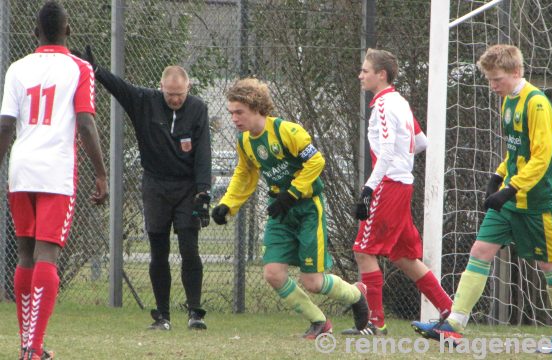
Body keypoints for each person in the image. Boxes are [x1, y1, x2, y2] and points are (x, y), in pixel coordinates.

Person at [412, 44, 552, 353]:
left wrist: (511, 188)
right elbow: (515, 151)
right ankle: (455, 325)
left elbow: (541, 158)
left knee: (549, 264)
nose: (492, 86)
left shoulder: (537, 104)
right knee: (480, 250)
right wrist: (498, 176)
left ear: (516, 72)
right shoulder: (507, 102)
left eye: (497, 79)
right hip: (512, 198)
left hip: (537, 201)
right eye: (489, 79)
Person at [210, 78, 369, 339]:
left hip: (307, 209)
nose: (234, 119)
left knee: (314, 282)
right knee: (273, 274)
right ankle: (319, 322)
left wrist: (293, 192)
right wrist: (227, 204)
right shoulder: (245, 142)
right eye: (232, 113)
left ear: (257, 107)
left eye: (239, 112)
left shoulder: (287, 132)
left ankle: (356, 294)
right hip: (281, 212)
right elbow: (244, 174)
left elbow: (316, 162)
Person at [0, 2, 108, 359]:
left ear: (35, 32)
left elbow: (4, 125)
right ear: (68, 30)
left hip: (21, 167)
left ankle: (26, 345)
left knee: (26, 253)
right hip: (56, 171)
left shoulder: (17, 67)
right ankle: (33, 348)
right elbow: (86, 122)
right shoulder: (79, 68)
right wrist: (101, 173)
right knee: (48, 253)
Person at [80, 47, 212, 330]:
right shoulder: (145, 102)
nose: (175, 99)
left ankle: (195, 314)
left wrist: (203, 190)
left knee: (190, 248)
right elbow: (121, 88)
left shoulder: (199, 109)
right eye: (170, 93)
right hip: (155, 185)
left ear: (188, 88)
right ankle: (162, 315)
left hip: (187, 187)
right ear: (161, 87)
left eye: (180, 94)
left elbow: (203, 152)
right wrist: (97, 71)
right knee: (158, 249)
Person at [341, 48, 452, 336]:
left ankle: (375, 323)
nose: (360, 75)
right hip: (403, 185)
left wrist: (369, 188)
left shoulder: (382, 105)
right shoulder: (400, 101)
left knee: (363, 252)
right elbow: (421, 141)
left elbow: (389, 150)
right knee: (403, 257)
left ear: (381, 74)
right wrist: (403, 159)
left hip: (388, 185)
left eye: (365, 70)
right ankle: (448, 310)